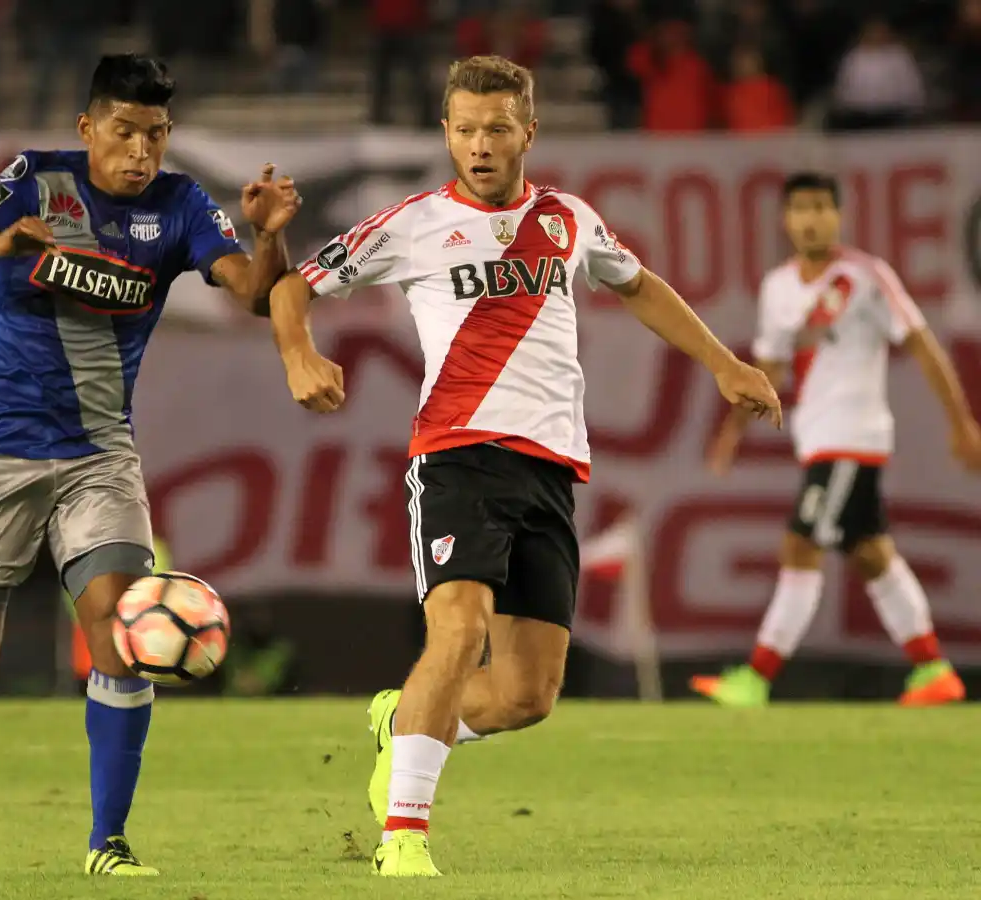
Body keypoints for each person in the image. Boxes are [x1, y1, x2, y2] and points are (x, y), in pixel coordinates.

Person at [266, 54, 781, 877]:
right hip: (456, 457)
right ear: (445, 133)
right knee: (459, 629)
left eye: (497, 129)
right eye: (465, 129)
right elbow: (292, 287)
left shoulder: (570, 220)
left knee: (524, 697)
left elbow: (641, 286)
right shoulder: (412, 223)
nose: (480, 144)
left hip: (549, 469)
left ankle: (405, 721)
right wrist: (299, 356)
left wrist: (724, 364)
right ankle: (404, 836)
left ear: (528, 133)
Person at [0, 53, 299, 876]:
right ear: (88, 129)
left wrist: (268, 234)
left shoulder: (181, 203)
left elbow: (255, 294)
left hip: (98, 457)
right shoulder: (32, 179)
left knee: (121, 630)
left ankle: (107, 842)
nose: (141, 150)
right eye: (124, 131)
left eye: (156, 134)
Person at [693, 171, 981, 708]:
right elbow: (771, 366)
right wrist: (732, 431)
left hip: (853, 436)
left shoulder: (867, 277)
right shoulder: (779, 288)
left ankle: (756, 677)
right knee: (872, 553)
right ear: (786, 219)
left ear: (838, 215)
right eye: (802, 208)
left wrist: (961, 423)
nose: (812, 218)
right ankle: (933, 668)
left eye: (823, 207)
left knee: (800, 544)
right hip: (816, 438)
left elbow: (922, 345)